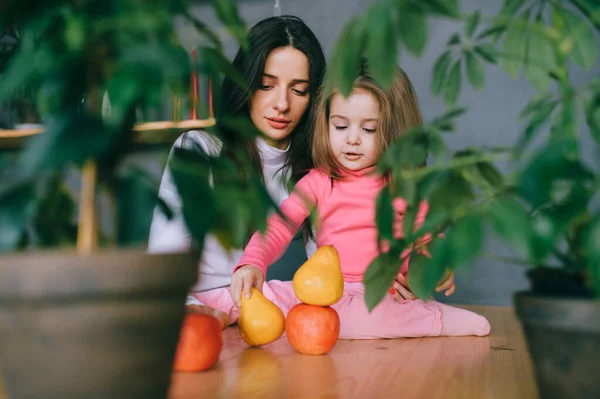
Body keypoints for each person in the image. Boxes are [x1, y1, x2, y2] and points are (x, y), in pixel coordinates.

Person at [194, 65, 491, 338]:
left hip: (381, 295)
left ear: (394, 132)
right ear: (326, 124)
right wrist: (253, 264)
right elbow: (279, 226)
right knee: (261, 293)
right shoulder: (318, 181)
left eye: (368, 129)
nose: (352, 139)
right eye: (340, 126)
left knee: (375, 316)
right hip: (323, 294)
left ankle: (429, 319)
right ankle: (209, 313)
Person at [147, 16, 327, 329]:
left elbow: (327, 262)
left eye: (299, 91)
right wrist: (193, 311)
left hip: (256, 312)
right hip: (188, 312)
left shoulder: (312, 170)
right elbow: (165, 256)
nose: (281, 104)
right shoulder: (199, 149)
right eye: (266, 85)